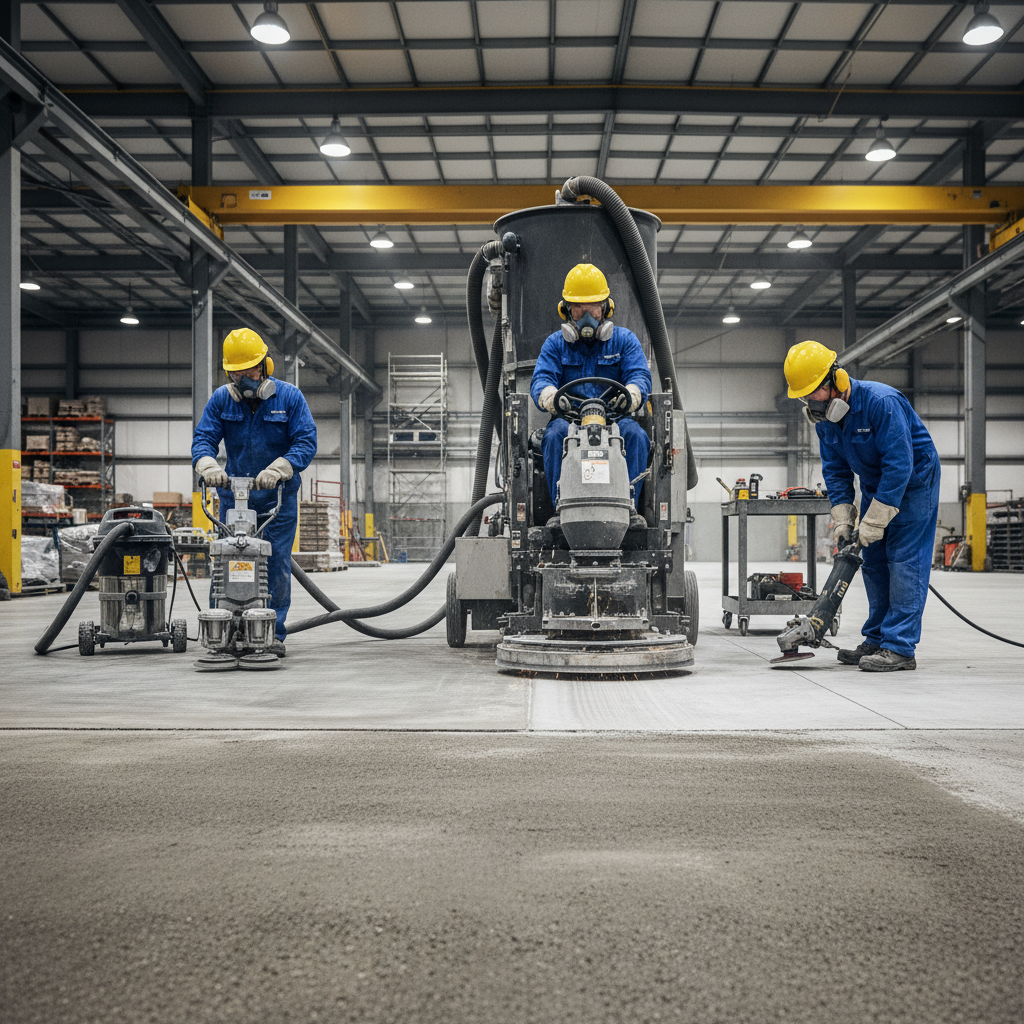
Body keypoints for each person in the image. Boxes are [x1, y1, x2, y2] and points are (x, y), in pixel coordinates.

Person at [784, 340, 940, 672]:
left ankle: (899, 647)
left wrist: (877, 518)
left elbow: (900, 464)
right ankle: (877, 638)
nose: (811, 401)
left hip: (913, 482)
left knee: (903, 561)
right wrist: (844, 516)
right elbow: (835, 470)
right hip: (875, 483)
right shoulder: (825, 420)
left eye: (815, 392)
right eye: (805, 396)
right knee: (873, 561)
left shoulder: (881, 402)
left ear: (836, 381)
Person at [192, 328, 317, 656]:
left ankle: (269, 633)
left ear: (265, 367)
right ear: (229, 373)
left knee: (274, 565)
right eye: (238, 373)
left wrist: (280, 469)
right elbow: (204, 437)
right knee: (225, 561)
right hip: (234, 500)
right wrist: (208, 465)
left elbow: (306, 440)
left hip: (278, 500)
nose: (246, 379)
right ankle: (223, 630)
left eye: (251, 372)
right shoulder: (222, 400)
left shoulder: (289, 398)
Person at [530, 263, 652, 519]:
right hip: (569, 422)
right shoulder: (555, 344)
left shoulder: (624, 340)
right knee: (553, 436)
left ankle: (628, 508)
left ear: (605, 309)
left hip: (615, 422)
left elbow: (640, 376)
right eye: (579, 309)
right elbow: (540, 380)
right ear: (567, 311)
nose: (587, 317)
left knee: (637, 436)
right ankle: (560, 510)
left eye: (593, 308)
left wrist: (630, 395)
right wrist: (552, 399)